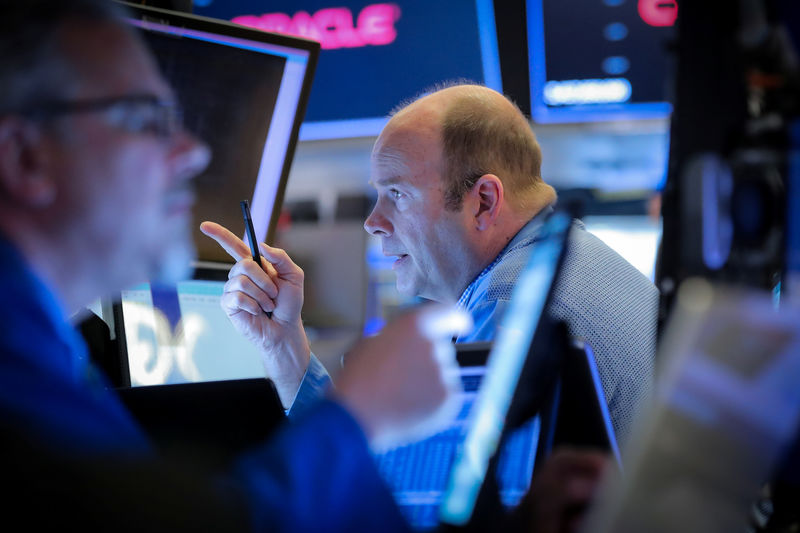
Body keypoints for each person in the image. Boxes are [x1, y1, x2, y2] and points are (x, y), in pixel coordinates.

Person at [0, 1, 471, 530]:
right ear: (25, 158)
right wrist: (357, 420)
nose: (193, 152)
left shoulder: (47, 351)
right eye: (144, 119)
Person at [204, 83, 659, 447]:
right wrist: (284, 344)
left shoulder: (510, 307)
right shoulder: (576, 262)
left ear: (483, 201)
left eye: (397, 194)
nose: (372, 222)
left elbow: (405, 500)